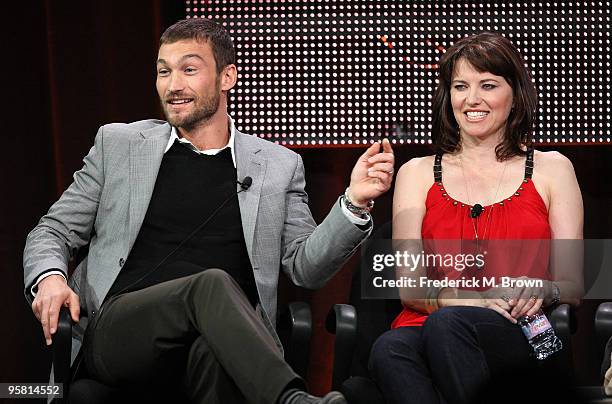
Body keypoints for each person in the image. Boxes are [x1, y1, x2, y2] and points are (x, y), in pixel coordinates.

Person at [23, 18, 395, 404]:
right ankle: (292, 401)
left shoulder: (278, 165)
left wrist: (353, 200)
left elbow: (305, 266)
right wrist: (50, 277)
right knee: (210, 284)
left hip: (213, 341)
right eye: (164, 71)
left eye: (189, 69)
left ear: (227, 77)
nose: (173, 85)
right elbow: (53, 230)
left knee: (215, 358)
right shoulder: (119, 144)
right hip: (120, 333)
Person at [368, 32, 583, 404]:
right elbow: (410, 288)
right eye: (460, 86)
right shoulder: (416, 173)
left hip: (519, 326)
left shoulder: (553, 169)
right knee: (389, 349)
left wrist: (544, 289)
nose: (472, 99)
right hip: (430, 320)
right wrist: (477, 300)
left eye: (488, 85)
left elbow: (574, 284)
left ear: (514, 95)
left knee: (446, 326)